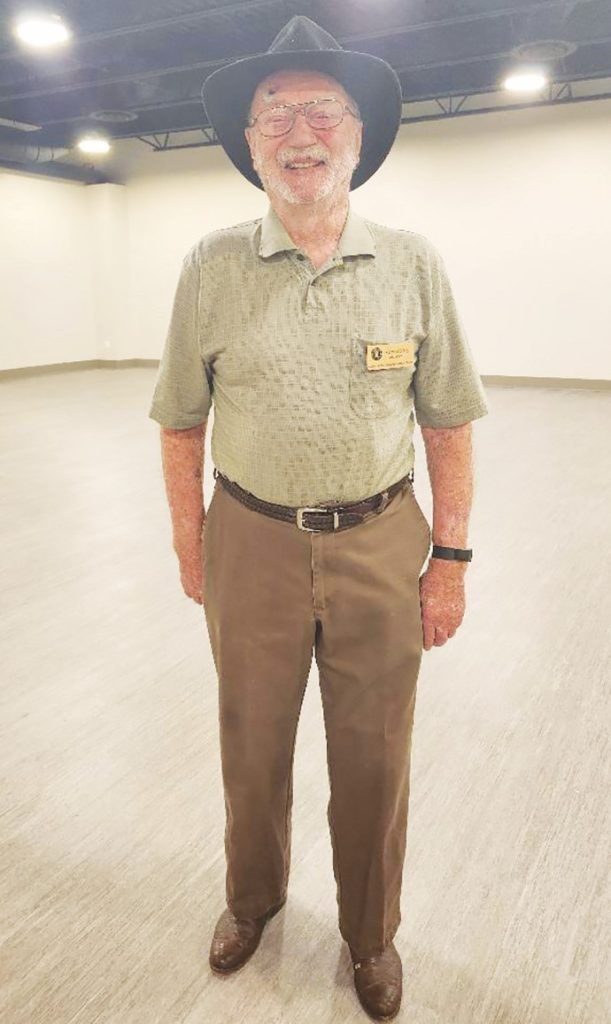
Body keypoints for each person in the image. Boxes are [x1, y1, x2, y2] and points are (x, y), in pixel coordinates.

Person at [148, 15, 489, 1022]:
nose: (299, 131)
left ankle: (370, 935)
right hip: (247, 534)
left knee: (374, 752)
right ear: (249, 143)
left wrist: (451, 557)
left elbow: (448, 423)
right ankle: (250, 900)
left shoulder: (411, 264)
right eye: (275, 113)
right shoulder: (210, 267)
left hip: (383, 538)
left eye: (320, 110)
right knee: (249, 737)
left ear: (356, 135)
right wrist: (190, 543)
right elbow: (178, 422)